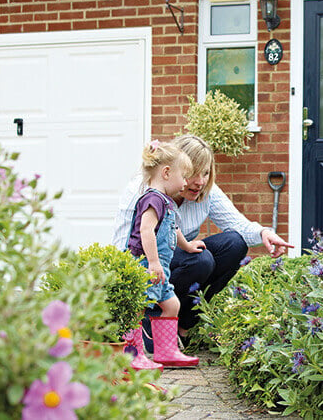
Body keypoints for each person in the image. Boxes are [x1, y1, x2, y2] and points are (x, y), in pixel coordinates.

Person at [112, 135, 293, 351]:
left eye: (206, 173)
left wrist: (264, 233)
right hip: (148, 266)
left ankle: (184, 324)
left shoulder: (206, 192)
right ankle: (149, 319)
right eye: (192, 173)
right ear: (172, 171)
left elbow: (237, 224)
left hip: (175, 263)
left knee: (234, 244)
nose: (200, 181)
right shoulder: (143, 193)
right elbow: (125, 245)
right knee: (201, 260)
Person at [126, 140, 202, 368]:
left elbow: (172, 229)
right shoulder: (153, 199)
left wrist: (187, 246)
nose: (186, 182)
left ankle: (166, 351)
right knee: (138, 308)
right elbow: (145, 230)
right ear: (167, 173)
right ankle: (132, 354)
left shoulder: (166, 203)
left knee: (171, 305)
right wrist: (153, 262)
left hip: (160, 271)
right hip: (145, 268)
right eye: (184, 176)